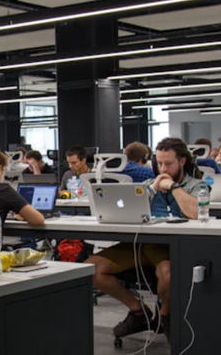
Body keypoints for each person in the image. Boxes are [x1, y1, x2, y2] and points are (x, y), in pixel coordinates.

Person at [84, 138, 205, 342]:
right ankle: (138, 311)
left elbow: (195, 212)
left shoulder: (196, 185)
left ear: (182, 161)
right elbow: (127, 209)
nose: (163, 168)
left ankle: (165, 316)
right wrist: (153, 189)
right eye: (160, 163)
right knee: (91, 268)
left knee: (167, 275)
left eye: (169, 164)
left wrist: (173, 186)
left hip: (171, 248)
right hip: (142, 245)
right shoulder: (149, 184)